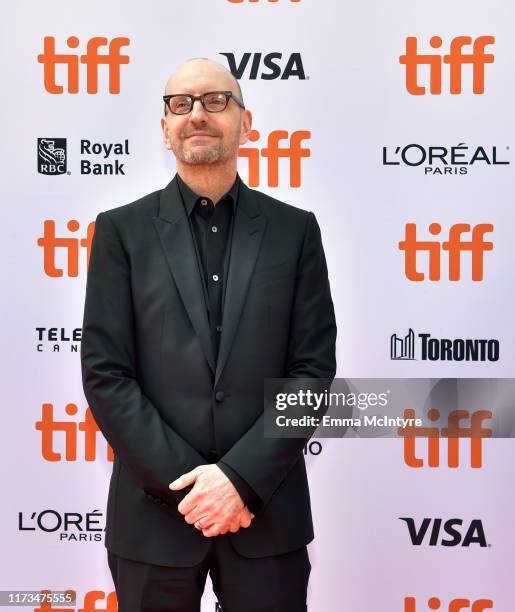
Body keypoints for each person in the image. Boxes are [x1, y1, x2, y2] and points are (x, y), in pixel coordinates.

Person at [80, 57, 336, 612]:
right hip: (154, 522)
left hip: (266, 518)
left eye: (216, 101)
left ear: (247, 122)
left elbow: (312, 372)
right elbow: (106, 375)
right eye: (181, 103)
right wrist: (197, 491)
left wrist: (240, 482)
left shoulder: (296, 231)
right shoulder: (120, 231)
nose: (197, 114)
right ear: (164, 126)